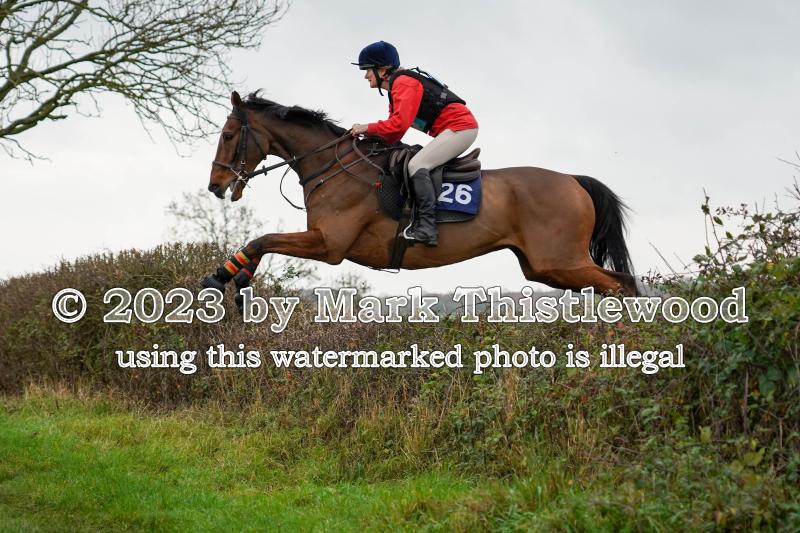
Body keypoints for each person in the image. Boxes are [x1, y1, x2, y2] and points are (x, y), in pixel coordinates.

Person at [351, 41, 478, 247]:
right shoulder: (396, 87)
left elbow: (398, 125)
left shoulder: (404, 82)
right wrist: (370, 143)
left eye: (367, 70)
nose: (366, 76)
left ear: (382, 70)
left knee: (417, 165)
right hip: (453, 130)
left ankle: (427, 227)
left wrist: (366, 127)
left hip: (461, 128)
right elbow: (393, 132)